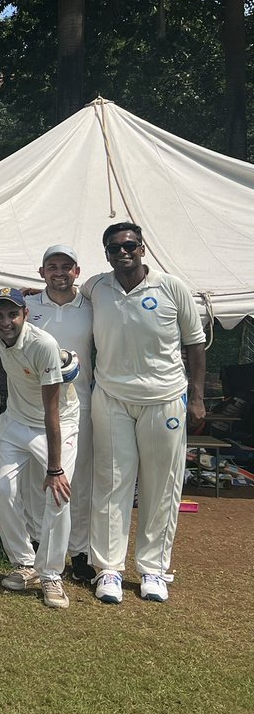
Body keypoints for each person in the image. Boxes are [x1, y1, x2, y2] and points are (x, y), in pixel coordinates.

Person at [81, 222, 206, 604]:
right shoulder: (96, 287)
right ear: (105, 253)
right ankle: (108, 570)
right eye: (115, 247)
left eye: (130, 245)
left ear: (142, 248)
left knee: (160, 485)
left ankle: (153, 569)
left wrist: (198, 397)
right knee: (112, 483)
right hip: (112, 397)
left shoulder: (171, 287)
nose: (123, 252)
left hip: (165, 397)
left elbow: (196, 344)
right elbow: (66, 296)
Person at [0, 288, 79, 609]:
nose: (5, 322)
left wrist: (55, 470)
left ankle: (52, 573)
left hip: (56, 424)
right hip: (15, 421)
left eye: (12, 314)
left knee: (57, 497)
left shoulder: (43, 345)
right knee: (4, 489)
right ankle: (26, 564)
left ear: (25, 315)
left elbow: (52, 411)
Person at [26, 245, 96, 584]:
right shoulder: (27, 306)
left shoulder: (92, 307)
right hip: (34, 406)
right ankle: (40, 545)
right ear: (41, 273)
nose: (59, 272)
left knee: (77, 481)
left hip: (79, 406)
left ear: (76, 271)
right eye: (52, 266)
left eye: (65, 266)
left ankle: (80, 552)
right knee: (39, 479)